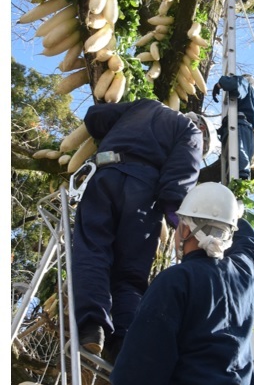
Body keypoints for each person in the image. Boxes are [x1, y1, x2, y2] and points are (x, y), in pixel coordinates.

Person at [92, 182, 254, 385]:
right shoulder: (243, 276)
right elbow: (249, 245)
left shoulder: (177, 280)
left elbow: (144, 365)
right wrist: (232, 213)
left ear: (185, 230)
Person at [72, 99, 214, 360]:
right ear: (203, 132)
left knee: (92, 251)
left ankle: (92, 328)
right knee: (130, 275)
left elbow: (95, 118)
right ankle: (124, 342)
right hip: (142, 195)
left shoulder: (144, 105)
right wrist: (180, 225)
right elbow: (179, 181)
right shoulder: (191, 132)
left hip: (104, 176)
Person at [212, 74, 254, 180]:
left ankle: (239, 181)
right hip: (250, 133)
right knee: (243, 161)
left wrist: (219, 85)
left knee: (238, 159)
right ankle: (241, 182)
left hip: (239, 126)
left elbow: (234, 84)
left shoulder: (245, 85)